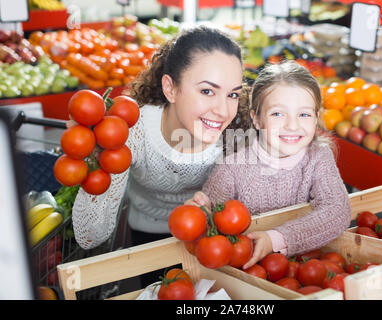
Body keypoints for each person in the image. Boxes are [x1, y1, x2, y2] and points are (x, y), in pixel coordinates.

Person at [70, 25, 250, 286]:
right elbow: (89, 236)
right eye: (207, 91)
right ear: (170, 88)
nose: (223, 111)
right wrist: (97, 158)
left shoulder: (236, 137)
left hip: (210, 237)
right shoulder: (133, 131)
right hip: (148, 232)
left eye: (232, 93)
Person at [186, 61, 351, 269]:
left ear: (316, 118)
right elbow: (210, 238)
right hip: (247, 272)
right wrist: (200, 215)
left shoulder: (318, 157)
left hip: (305, 270)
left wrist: (275, 239)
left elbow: (337, 210)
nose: (292, 125)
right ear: (256, 119)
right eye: (277, 114)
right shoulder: (232, 169)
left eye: (304, 114)